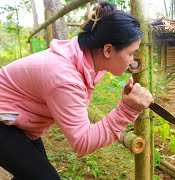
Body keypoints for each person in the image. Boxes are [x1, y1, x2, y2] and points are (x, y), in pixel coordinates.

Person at [0, 1, 153, 179]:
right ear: (108, 50)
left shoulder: (89, 59)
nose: (133, 61)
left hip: (15, 118)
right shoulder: (63, 76)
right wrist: (128, 110)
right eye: (131, 53)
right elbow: (82, 142)